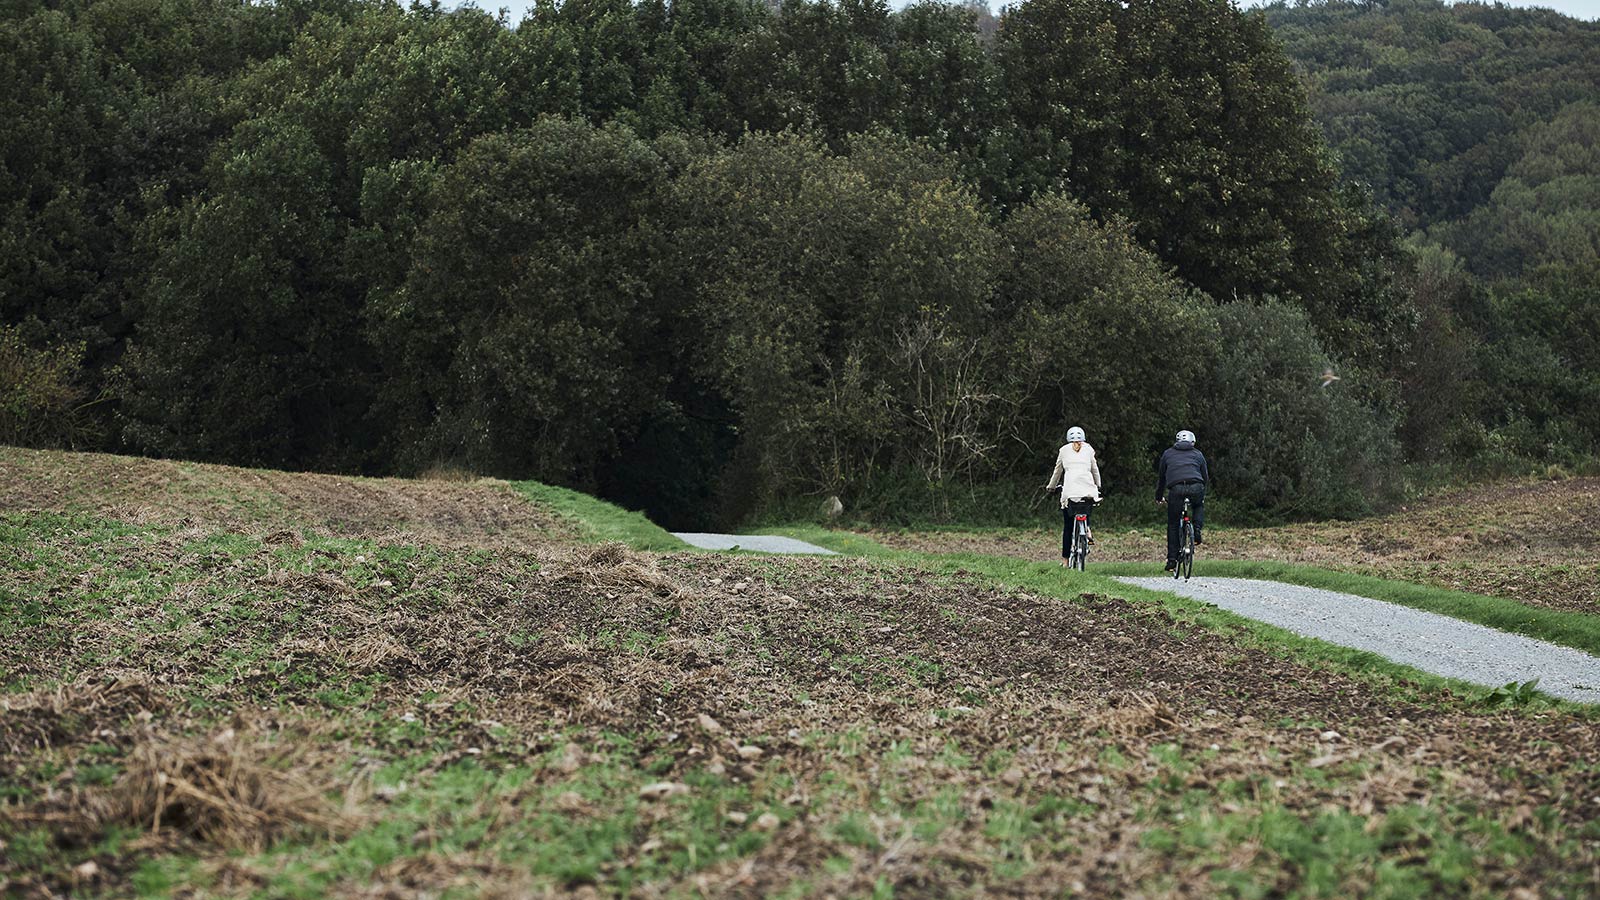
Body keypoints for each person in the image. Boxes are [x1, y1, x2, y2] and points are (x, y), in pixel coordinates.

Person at [1045, 426, 1101, 566]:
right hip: (1088, 488)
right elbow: (1095, 469)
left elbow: (1057, 471)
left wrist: (1051, 487)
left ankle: (1065, 561)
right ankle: (1087, 528)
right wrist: (1098, 485)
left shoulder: (1063, 451)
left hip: (1070, 490)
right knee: (1087, 504)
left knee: (1068, 526)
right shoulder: (1089, 449)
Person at [1155, 429, 1208, 570]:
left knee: (1173, 523)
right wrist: (1202, 491)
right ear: (1193, 442)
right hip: (1196, 486)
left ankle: (1172, 560)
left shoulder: (1167, 454)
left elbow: (1162, 478)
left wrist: (1159, 496)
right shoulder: (1198, 454)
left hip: (1176, 489)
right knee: (1198, 505)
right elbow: (1205, 476)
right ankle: (1196, 531)